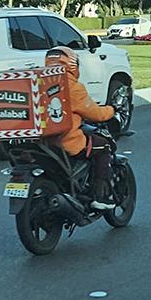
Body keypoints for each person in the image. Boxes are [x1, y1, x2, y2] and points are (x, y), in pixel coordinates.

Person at [43, 46, 118, 210]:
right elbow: (96, 114)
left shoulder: (38, 81)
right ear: (72, 65)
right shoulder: (71, 86)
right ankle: (100, 197)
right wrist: (111, 110)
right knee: (103, 145)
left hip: (40, 142)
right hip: (66, 143)